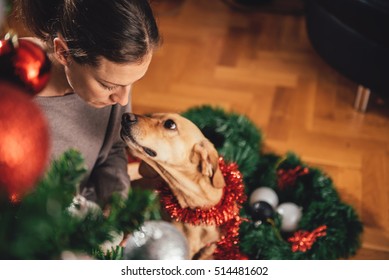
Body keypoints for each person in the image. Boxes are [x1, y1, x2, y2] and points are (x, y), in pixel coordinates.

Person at [15, 0, 161, 207]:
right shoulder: (10, 94)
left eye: (131, 84)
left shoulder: (115, 79)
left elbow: (113, 148)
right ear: (64, 53)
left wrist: (116, 200)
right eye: (109, 86)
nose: (122, 99)